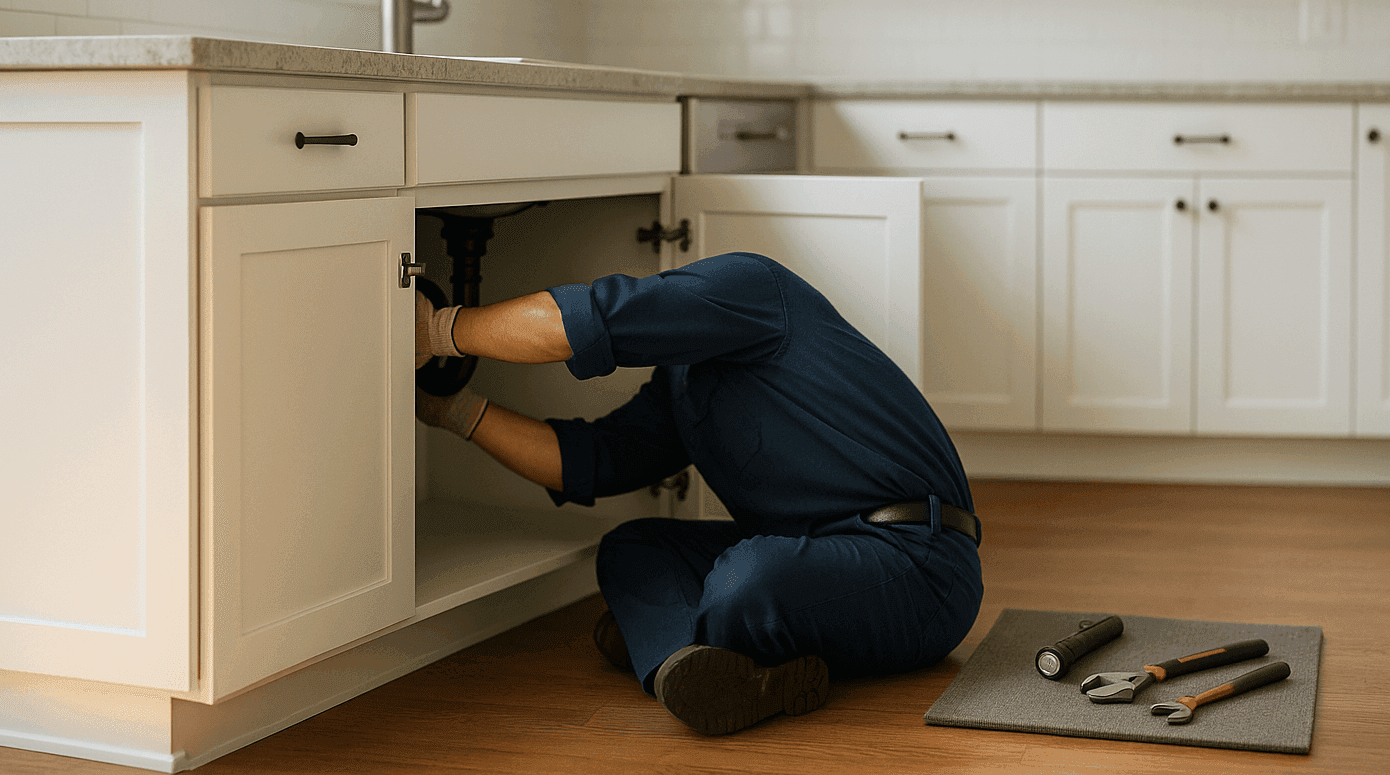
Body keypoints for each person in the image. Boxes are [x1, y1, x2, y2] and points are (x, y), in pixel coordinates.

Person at [415, 251, 983, 735]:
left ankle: (662, 637)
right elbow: (588, 462)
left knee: (749, 577)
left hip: (919, 563)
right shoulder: (681, 386)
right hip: (809, 556)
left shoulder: (752, 286)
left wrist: (437, 331)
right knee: (632, 548)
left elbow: (579, 323)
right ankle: (699, 671)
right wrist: (449, 411)